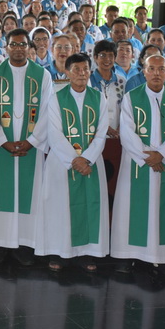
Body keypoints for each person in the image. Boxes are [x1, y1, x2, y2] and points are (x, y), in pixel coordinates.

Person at [111, 54, 165, 275]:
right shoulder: (131, 97)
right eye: (151, 69)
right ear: (143, 71)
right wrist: (149, 157)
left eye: (161, 69)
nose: (156, 73)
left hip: (164, 164)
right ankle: (127, 256)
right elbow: (127, 132)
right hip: (138, 164)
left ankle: (162, 258)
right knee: (131, 208)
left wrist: (161, 155)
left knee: (163, 209)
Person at [0, 28, 54, 266]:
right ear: (6, 47)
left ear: (30, 47)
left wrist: (31, 141)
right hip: (1, 146)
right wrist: (3, 141)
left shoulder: (42, 76)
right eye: (14, 44)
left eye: (23, 44)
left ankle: (24, 243)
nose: (18, 49)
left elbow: (48, 111)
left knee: (28, 194)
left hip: (30, 147)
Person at [35, 53, 109, 272]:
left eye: (85, 69)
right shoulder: (56, 99)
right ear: (67, 72)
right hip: (61, 163)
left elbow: (101, 132)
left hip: (91, 163)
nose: (82, 73)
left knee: (89, 206)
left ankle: (86, 253)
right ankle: (59, 253)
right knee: (59, 208)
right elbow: (54, 133)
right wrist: (74, 160)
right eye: (76, 69)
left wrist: (87, 158)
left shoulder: (99, 97)